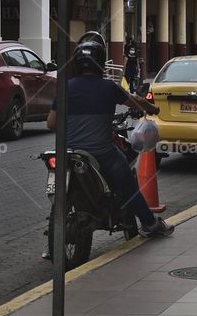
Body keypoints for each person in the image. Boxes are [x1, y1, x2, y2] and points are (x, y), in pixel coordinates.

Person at [47, 33, 173, 238]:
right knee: (127, 184)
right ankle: (150, 224)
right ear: (100, 62)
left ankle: (50, 243)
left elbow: (51, 123)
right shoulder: (108, 87)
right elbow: (134, 100)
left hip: (67, 151)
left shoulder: (65, 88)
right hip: (101, 152)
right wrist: (151, 108)